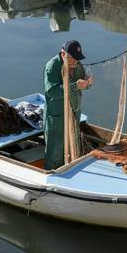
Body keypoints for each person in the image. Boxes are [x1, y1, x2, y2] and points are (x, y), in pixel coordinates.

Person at [43, 40, 93, 170]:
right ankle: (51, 174)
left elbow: (81, 83)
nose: (76, 62)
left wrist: (87, 83)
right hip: (58, 115)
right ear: (64, 54)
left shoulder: (76, 64)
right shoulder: (52, 66)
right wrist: (75, 85)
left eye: (78, 59)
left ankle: (71, 171)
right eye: (73, 59)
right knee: (55, 150)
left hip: (74, 111)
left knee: (72, 145)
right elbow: (51, 91)